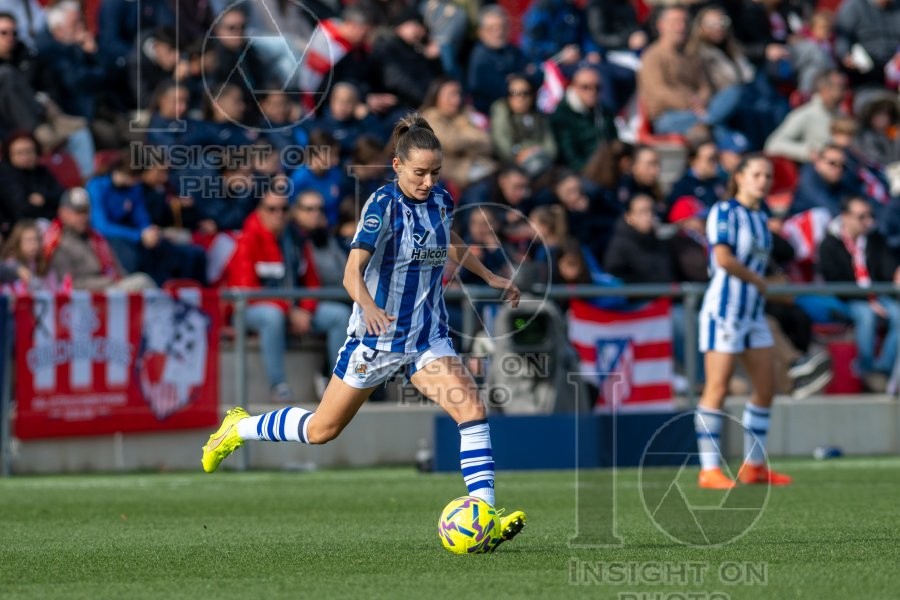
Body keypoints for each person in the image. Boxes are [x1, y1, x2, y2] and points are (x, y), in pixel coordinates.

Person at [201, 114, 527, 550]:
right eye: (419, 173)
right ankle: (239, 428)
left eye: (434, 172)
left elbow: (449, 242)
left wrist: (489, 276)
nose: (428, 181)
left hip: (426, 337)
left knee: (471, 408)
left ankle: (485, 514)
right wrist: (369, 307)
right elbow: (352, 273)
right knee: (322, 430)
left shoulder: (441, 200)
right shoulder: (382, 206)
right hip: (376, 340)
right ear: (396, 166)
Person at [695, 154, 793, 489]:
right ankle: (708, 470)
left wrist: (775, 283)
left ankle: (753, 466)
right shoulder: (724, 211)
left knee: (766, 388)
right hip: (724, 311)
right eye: (756, 174)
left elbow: (761, 265)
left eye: (767, 176)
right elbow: (723, 259)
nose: (763, 181)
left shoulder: (760, 218)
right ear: (739, 177)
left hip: (752, 314)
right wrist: (761, 282)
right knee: (717, 387)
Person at [226, 182, 352, 402]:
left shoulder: (295, 238)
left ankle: (338, 384)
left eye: (284, 209)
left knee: (339, 315)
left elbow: (311, 281)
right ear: (259, 210)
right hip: (248, 311)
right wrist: (289, 311)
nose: (278, 214)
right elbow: (248, 289)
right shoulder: (248, 238)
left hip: (292, 309)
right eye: (271, 209)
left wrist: (305, 309)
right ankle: (279, 386)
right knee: (272, 317)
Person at [818, 196, 900, 393]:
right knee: (866, 315)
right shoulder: (830, 244)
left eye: (870, 216)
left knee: (897, 314)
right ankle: (866, 369)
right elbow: (835, 280)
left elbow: (886, 269)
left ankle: (882, 369)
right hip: (849, 298)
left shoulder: (875, 240)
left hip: (876, 295)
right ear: (845, 217)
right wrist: (868, 300)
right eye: (862, 217)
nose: (868, 221)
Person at [43, 187, 155, 291]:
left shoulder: (96, 237)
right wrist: (108, 282)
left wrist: (118, 281)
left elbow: (119, 272)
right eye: (78, 212)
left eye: (86, 211)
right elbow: (69, 284)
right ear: (63, 213)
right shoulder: (57, 242)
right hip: (90, 297)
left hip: (111, 289)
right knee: (142, 282)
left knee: (140, 283)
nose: (83, 217)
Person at [420, 77, 497, 192]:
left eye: (458, 94)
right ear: (436, 96)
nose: (457, 100)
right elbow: (452, 143)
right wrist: (470, 139)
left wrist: (463, 140)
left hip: (482, 167)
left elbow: (488, 143)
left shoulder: (464, 115)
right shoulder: (428, 118)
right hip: (456, 176)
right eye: (451, 95)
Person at [764, 69, 847, 163]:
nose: (845, 91)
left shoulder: (842, 114)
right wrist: (808, 152)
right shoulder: (805, 114)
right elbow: (773, 144)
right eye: (840, 87)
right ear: (825, 89)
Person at [550, 65, 617, 172]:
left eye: (597, 87)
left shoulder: (605, 112)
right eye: (585, 87)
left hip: (607, 168)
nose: (592, 92)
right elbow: (569, 157)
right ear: (573, 87)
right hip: (579, 172)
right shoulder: (562, 115)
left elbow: (613, 141)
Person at [489, 75, 557, 177]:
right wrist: (519, 155)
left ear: (533, 95)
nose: (520, 98)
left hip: (543, 164)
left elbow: (551, 148)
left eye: (526, 93)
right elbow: (502, 144)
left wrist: (533, 152)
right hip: (511, 168)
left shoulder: (538, 116)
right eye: (514, 93)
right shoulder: (501, 111)